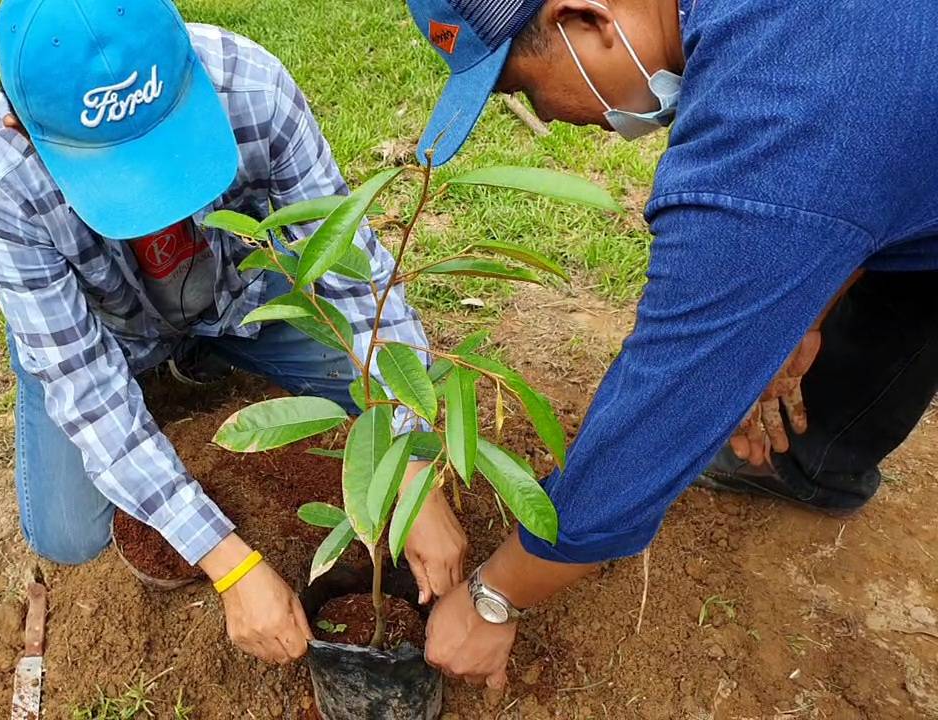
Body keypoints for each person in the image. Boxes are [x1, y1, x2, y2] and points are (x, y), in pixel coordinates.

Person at [402, 0, 938, 688]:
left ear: (586, 18)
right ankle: (822, 464)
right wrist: (798, 315)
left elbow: (657, 416)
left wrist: (493, 598)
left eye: (525, 89)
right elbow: (873, 159)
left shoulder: (774, 119)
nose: (553, 115)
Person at [0, 0, 467, 665]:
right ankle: (166, 365)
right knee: (67, 535)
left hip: (242, 300)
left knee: (386, 381)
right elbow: (85, 386)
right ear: (21, 124)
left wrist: (413, 462)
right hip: (109, 338)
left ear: (186, 66)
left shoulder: (250, 87)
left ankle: (203, 353)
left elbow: (352, 276)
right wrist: (227, 563)